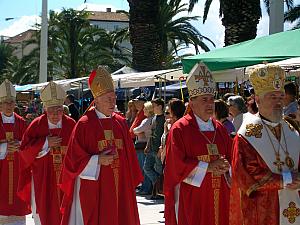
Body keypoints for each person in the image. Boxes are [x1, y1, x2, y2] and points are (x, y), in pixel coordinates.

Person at [60, 66, 143, 225]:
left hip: (120, 185)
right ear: (96, 100)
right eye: (108, 99)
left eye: (114, 98)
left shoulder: (119, 123)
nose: (113, 102)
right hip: (95, 187)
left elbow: (130, 156)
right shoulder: (84, 124)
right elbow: (72, 160)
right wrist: (97, 160)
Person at [230, 65, 300, 225]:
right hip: (263, 211)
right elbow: (247, 176)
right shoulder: (245, 135)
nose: (278, 102)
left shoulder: (292, 128)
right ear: (258, 99)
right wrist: (286, 179)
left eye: (280, 96)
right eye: (272, 96)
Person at [164, 63, 232, 225]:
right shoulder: (180, 129)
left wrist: (227, 166)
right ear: (191, 102)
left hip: (221, 194)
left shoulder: (220, 129)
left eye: (211, 99)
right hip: (194, 196)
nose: (210, 104)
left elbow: (232, 157)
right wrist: (208, 167)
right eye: (204, 100)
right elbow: (176, 166)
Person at [17, 81, 76, 225]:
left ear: (64, 109)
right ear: (45, 109)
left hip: (66, 178)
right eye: (51, 111)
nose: (55, 114)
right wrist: (44, 143)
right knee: (44, 214)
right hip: (43, 178)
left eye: (59, 110)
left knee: (69, 215)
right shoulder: (37, 125)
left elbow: (79, 149)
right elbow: (24, 152)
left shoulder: (71, 124)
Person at [0, 80, 30, 225]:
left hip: (17, 171)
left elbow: (28, 146)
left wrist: (20, 146)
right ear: (0, 103)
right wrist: (5, 148)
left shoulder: (21, 122)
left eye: (11, 102)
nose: (9, 105)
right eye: (6, 102)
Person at [144, 98, 165, 200]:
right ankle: (157, 186)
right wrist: (148, 145)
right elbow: (151, 133)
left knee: (159, 170)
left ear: (160, 106)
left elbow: (164, 135)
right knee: (147, 168)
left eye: (154, 106)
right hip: (152, 148)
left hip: (158, 150)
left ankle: (158, 191)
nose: (152, 108)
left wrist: (161, 150)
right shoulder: (154, 118)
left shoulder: (164, 118)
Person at [133, 101, 154, 195]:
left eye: (145, 109)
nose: (143, 110)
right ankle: (146, 187)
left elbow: (137, 129)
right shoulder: (150, 119)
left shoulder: (147, 120)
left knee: (144, 168)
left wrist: (135, 131)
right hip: (145, 145)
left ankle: (146, 188)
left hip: (143, 146)